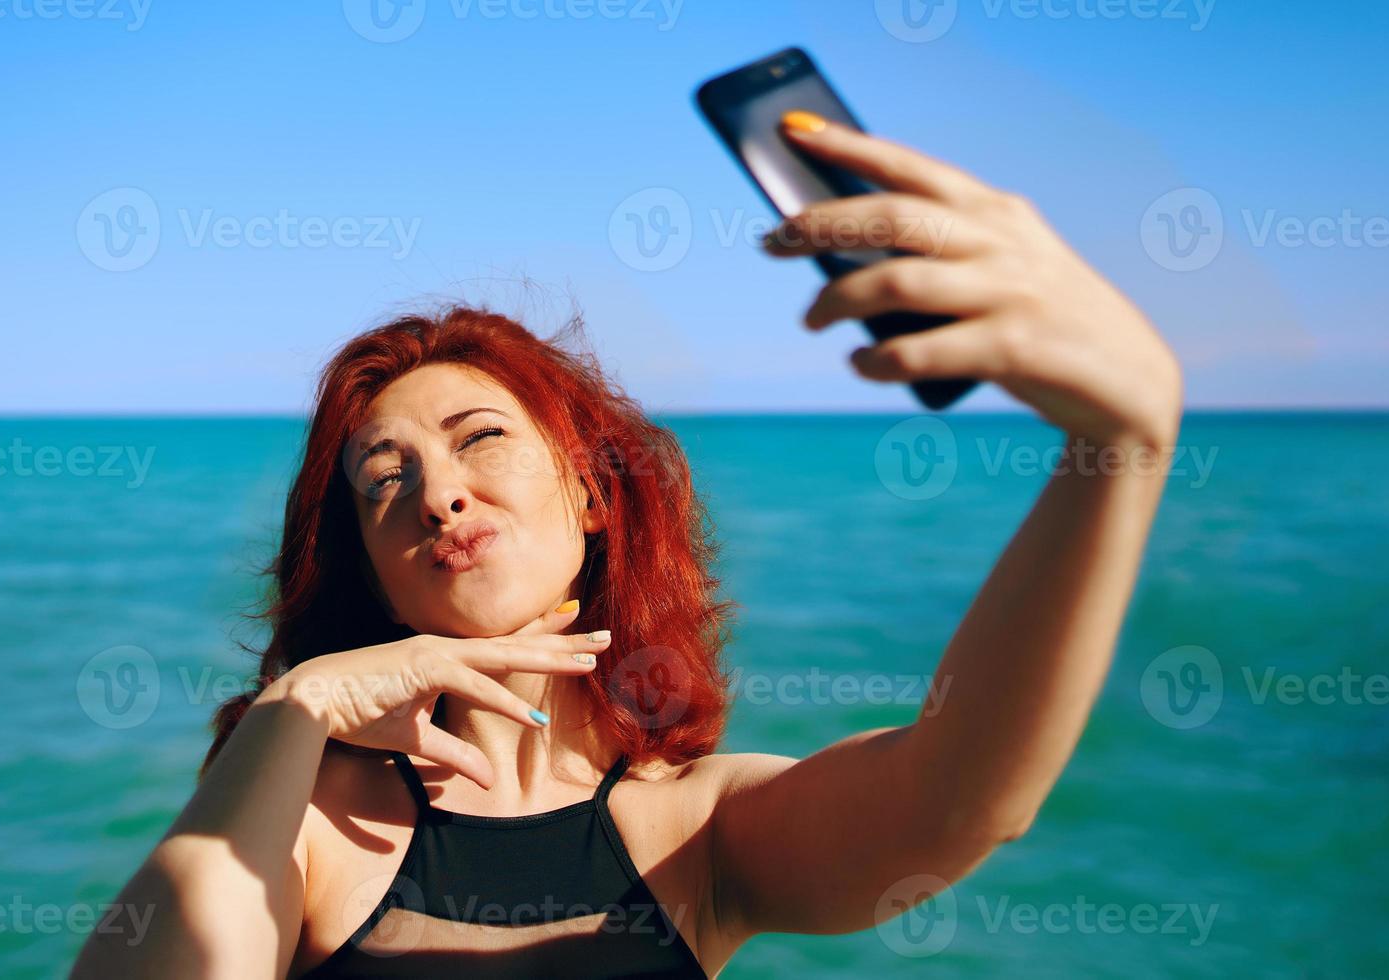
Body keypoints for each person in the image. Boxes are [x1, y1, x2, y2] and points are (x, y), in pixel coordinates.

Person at [70, 111, 1182, 978]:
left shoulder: (696, 825)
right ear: (365, 562)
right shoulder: (308, 820)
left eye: (480, 440)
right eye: (384, 478)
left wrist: (1119, 447)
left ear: (593, 495)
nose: (438, 495)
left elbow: (963, 795)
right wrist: (294, 711)